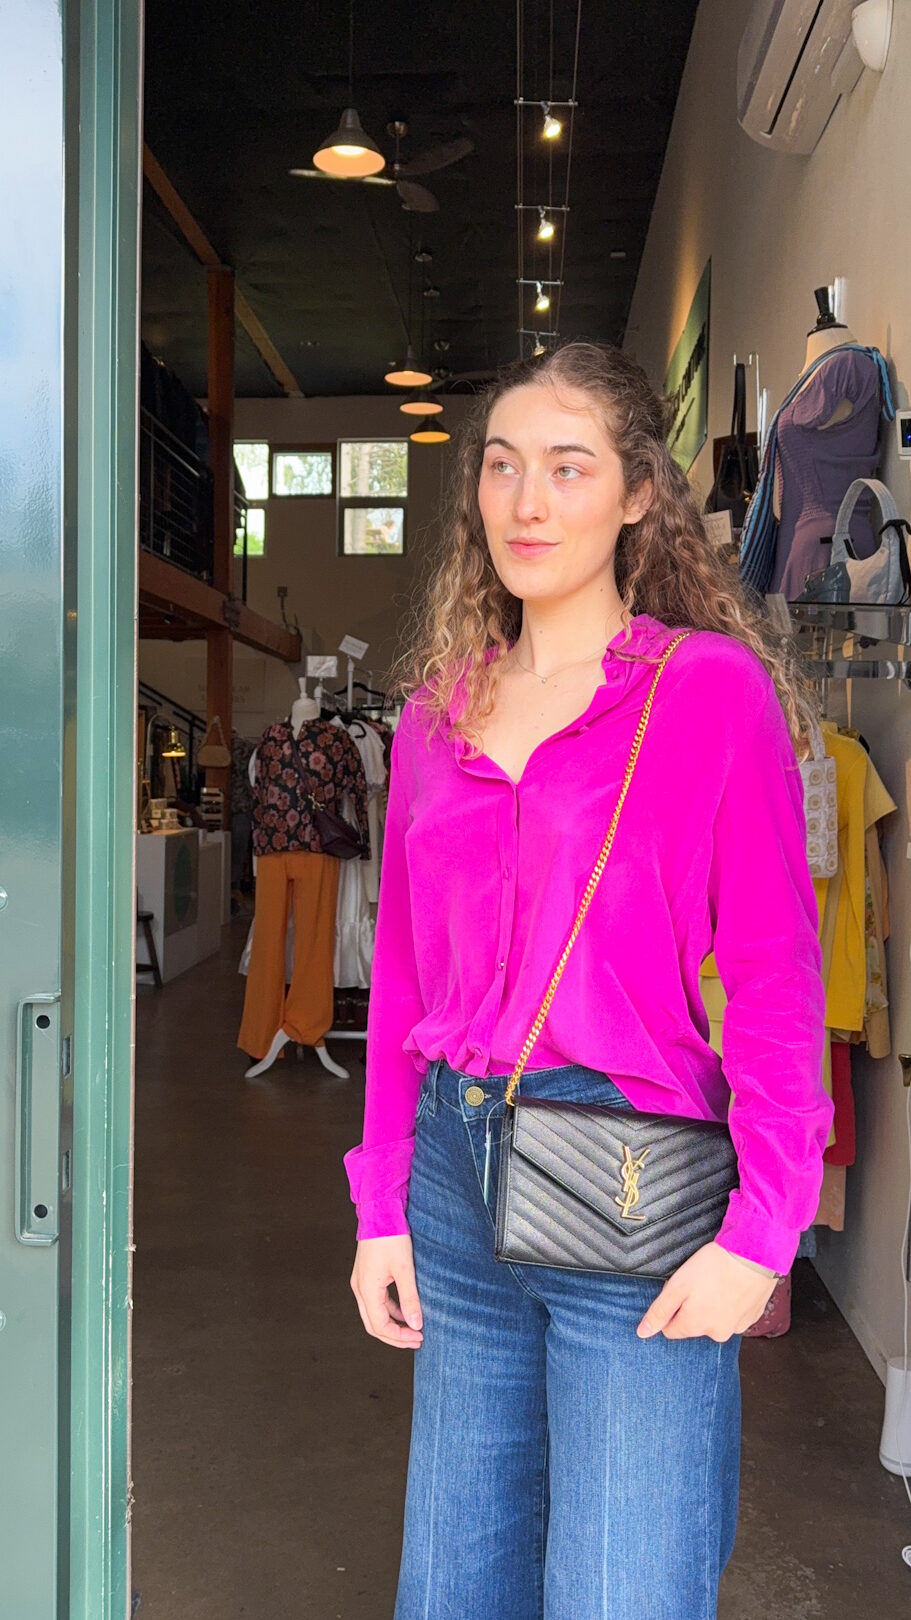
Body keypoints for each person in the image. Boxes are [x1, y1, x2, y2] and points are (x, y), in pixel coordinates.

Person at [344, 341, 831, 1619]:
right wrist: (380, 1206)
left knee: (623, 1588)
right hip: (452, 1174)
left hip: (630, 1181)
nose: (525, 501)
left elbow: (776, 974)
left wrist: (764, 1229)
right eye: (502, 467)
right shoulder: (436, 714)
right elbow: (402, 986)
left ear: (635, 495)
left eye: (567, 468)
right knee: (454, 1582)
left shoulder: (704, 692)